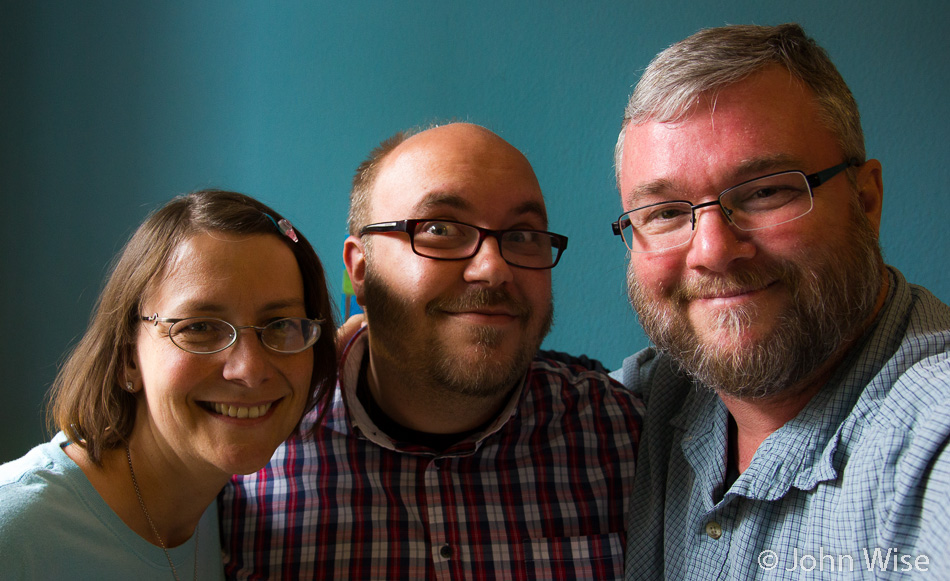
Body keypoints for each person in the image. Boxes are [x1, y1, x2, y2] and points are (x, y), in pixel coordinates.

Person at [220, 122, 643, 580]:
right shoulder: (248, 452)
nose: (493, 268)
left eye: (522, 236)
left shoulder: (626, 438)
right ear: (360, 270)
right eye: (440, 229)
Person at [611, 23, 950, 579]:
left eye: (767, 191)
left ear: (865, 202)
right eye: (667, 213)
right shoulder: (643, 405)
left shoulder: (929, 448)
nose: (713, 251)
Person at [0, 190, 337, 579]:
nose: (249, 369)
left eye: (280, 326)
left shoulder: (209, 505)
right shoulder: (17, 533)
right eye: (199, 328)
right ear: (128, 357)